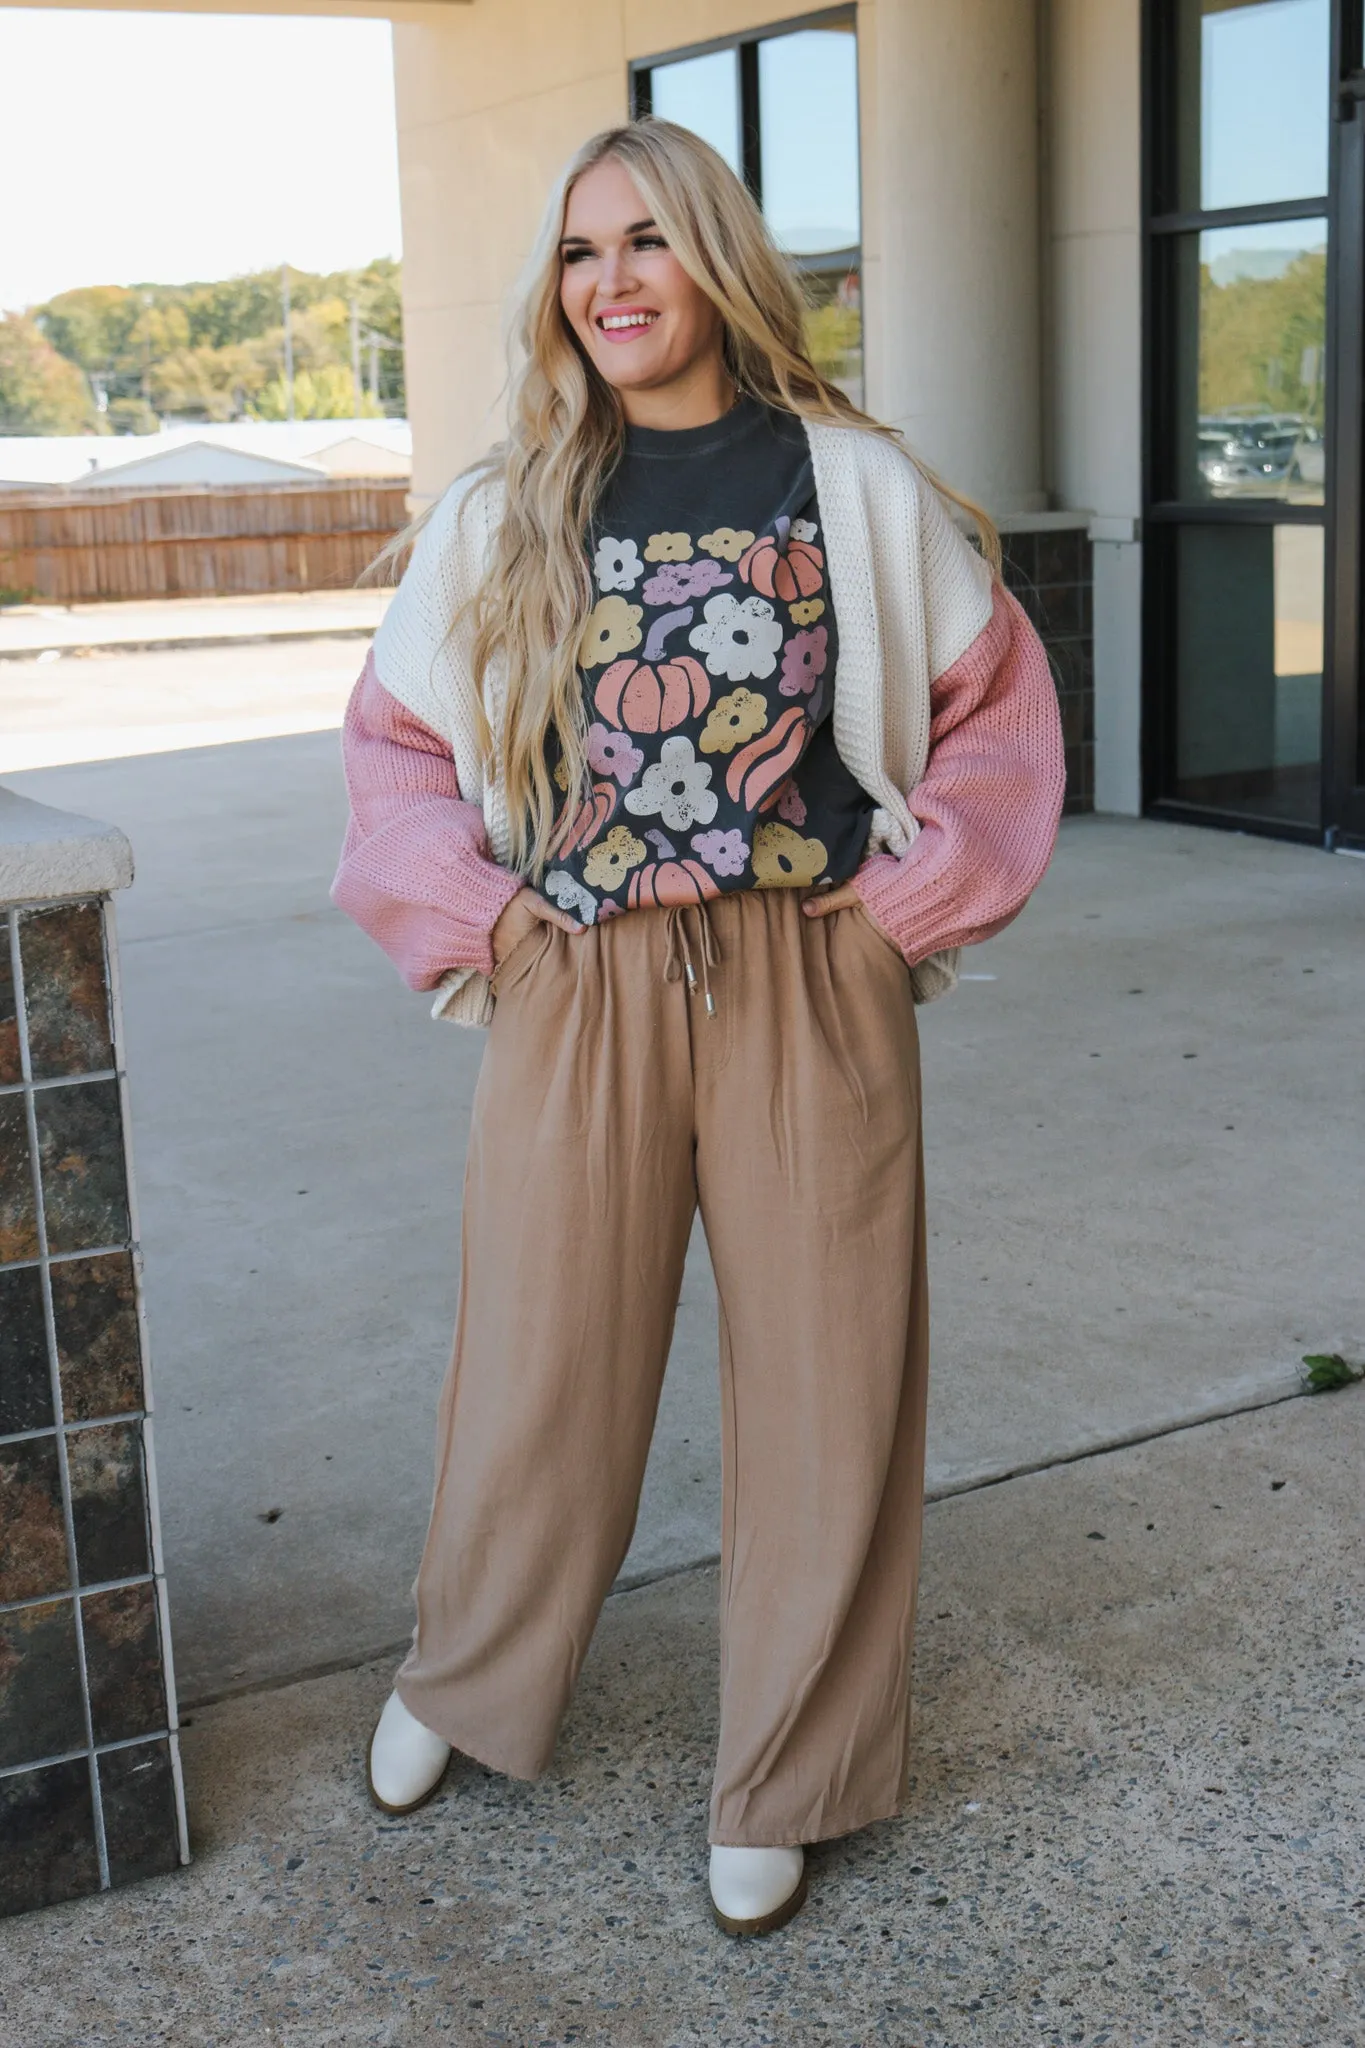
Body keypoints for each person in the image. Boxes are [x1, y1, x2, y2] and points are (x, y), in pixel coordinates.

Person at [332, 117, 1065, 1937]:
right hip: (573, 975)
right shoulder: (510, 505)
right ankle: (465, 1677)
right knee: (539, 1364)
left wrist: (907, 910)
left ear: (719, 261)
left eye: (648, 244)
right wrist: (488, 920)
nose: (612, 285)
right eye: (582, 254)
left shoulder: (854, 484)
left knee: (832, 1377)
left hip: (806, 975)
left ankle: (793, 1768)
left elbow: (997, 712)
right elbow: (395, 751)